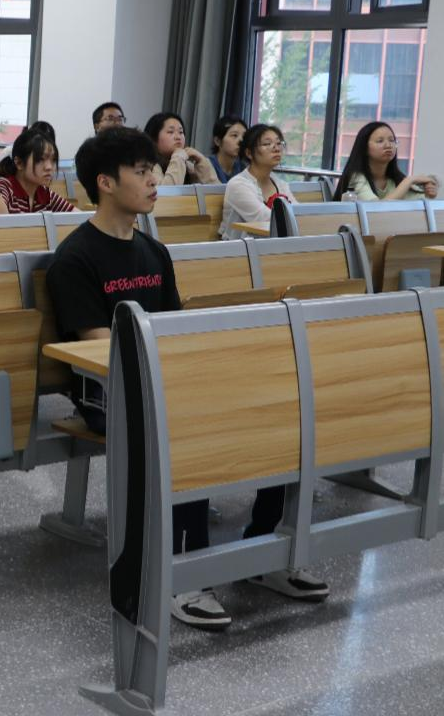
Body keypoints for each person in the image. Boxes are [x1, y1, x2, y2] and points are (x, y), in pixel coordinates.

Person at [47, 127, 328, 632]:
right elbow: (102, 349)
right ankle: (182, 572)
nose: (154, 180)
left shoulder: (153, 252)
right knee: (187, 421)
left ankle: (267, 549)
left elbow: (174, 328)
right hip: (108, 391)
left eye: (152, 170)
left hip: (165, 377)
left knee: (281, 407)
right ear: (105, 183)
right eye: (141, 172)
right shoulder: (75, 259)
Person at [218, 124, 296, 240]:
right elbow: (265, 218)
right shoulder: (238, 185)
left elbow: (297, 212)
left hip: (271, 245)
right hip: (238, 248)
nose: (276, 148)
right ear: (249, 153)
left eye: (279, 143)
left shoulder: (280, 184)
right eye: (267, 144)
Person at [335, 121, 438, 201]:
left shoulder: (394, 179)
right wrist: (409, 180)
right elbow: (375, 209)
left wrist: (428, 192)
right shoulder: (356, 177)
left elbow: (419, 200)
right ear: (364, 148)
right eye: (380, 141)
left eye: (392, 140)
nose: (388, 145)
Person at [0, 129, 74, 213]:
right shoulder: (3, 187)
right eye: (40, 159)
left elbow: (77, 216)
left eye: (53, 160)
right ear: (19, 163)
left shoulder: (44, 193)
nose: (49, 167)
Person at [144, 112, 219, 185]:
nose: (178, 137)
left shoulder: (187, 165)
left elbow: (217, 191)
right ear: (153, 139)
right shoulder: (148, 166)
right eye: (170, 132)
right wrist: (178, 157)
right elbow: (166, 192)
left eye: (181, 132)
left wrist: (201, 161)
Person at [208, 115, 248, 183]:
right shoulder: (207, 165)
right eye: (234, 135)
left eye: (244, 137)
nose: (241, 140)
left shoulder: (243, 168)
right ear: (217, 141)